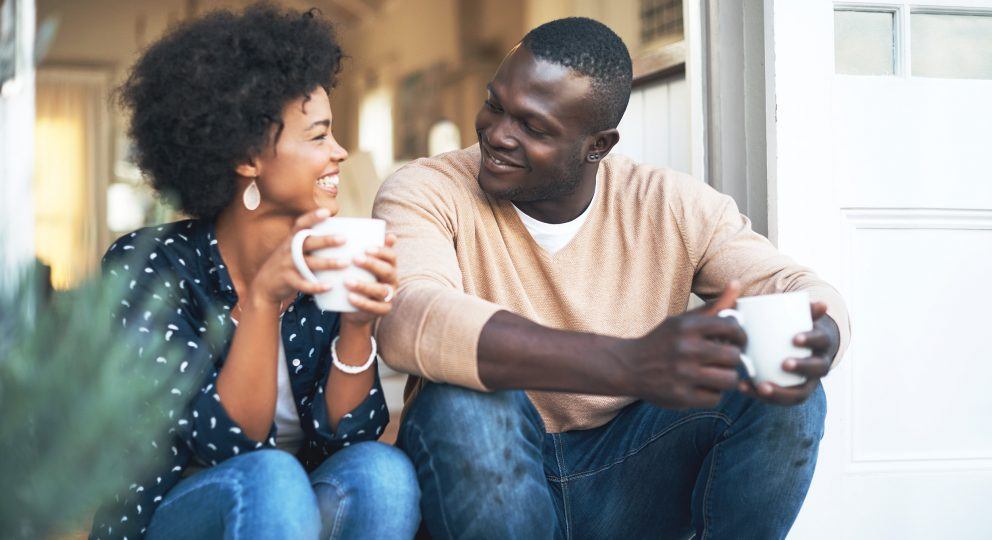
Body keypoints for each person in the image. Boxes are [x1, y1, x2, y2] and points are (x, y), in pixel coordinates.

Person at [373, 17, 851, 540]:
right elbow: (409, 317)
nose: (497, 134)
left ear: (597, 145)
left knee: (788, 391)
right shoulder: (425, 189)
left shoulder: (669, 203)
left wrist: (816, 339)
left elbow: (798, 288)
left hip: (630, 476)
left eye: (532, 128)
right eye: (495, 104)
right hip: (489, 465)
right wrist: (629, 363)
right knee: (462, 401)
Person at [92, 6, 419, 539]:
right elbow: (226, 446)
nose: (339, 152)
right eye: (318, 137)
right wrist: (264, 301)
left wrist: (358, 325)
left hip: (287, 514)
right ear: (247, 157)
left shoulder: (325, 259)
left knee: (382, 473)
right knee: (269, 477)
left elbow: (348, 439)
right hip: (176, 516)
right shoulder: (151, 266)